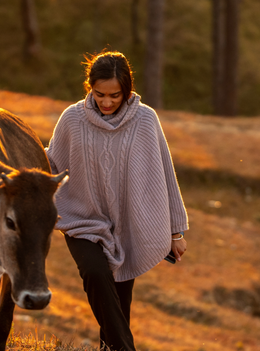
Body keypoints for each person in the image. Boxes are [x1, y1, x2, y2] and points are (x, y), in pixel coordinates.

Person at [46, 51, 189, 351]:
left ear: (127, 89)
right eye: (99, 94)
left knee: (120, 304)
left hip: (128, 224)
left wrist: (175, 231)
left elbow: (165, 171)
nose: (107, 102)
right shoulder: (72, 119)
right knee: (96, 274)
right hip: (81, 219)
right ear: (89, 87)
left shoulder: (146, 119)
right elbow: (51, 164)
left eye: (115, 95)